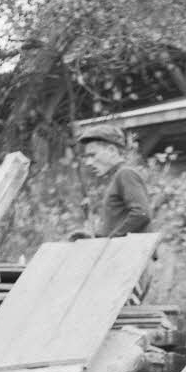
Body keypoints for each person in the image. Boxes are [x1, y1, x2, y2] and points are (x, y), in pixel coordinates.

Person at [70, 122, 154, 301]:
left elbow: (142, 214)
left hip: (132, 261)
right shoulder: (117, 178)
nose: (89, 162)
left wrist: (109, 243)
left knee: (122, 320)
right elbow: (122, 220)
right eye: (86, 157)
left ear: (111, 150)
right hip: (126, 259)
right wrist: (95, 238)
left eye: (93, 155)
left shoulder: (126, 174)